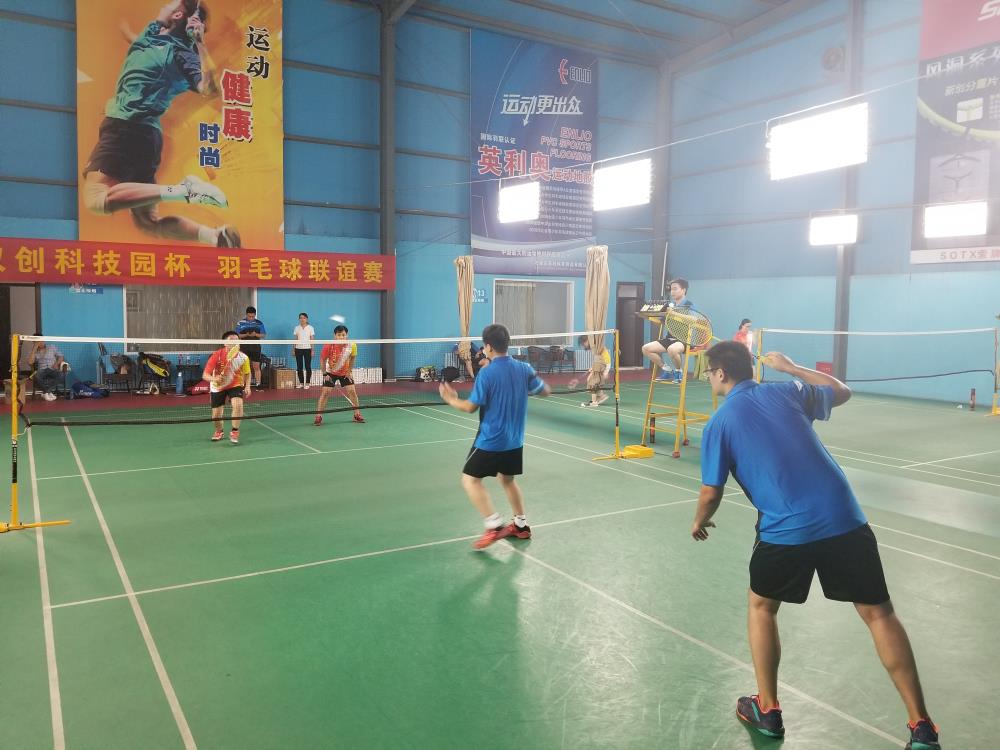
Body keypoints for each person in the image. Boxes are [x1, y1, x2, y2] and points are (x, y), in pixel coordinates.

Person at [690, 341, 940, 750]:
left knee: (761, 606)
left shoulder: (718, 424)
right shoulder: (785, 392)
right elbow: (841, 390)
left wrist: (700, 520)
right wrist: (791, 367)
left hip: (785, 531)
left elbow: (710, 492)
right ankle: (922, 725)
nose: (707, 378)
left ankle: (768, 709)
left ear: (720, 374)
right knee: (879, 614)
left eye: (708, 372)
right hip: (844, 518)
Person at [82, 0, 241, 248]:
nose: (164, 5)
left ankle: (183, 191)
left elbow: (209, 90)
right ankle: (216, 236)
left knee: (96, 200)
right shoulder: (154, 31)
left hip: (127, 128)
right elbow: (138, 43)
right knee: (148, 223)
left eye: (170, 4)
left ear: (177, 15)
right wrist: (120, 26)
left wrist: (200, 43)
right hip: (144, 137)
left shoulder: (182, 54)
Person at [438, 323, 552, 550]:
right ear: (507, 343)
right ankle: (521, 525)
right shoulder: (524, 368)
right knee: (507, 480)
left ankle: (493, 525)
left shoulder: (487, 373)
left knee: (470, 480)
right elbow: (545, 391)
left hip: (491, 440)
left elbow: (470, 407)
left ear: (488, 347)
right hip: (515, 440)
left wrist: (451, 399)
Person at [202, 331, 250, 444]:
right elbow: (205, 375)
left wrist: (247, 386)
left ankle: (235, 431)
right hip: (218, 386)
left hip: (235, 384)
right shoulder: (216, 355)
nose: (234, 342)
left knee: (238, 405)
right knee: (216, 415)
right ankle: (219, 431)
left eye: (236, 340)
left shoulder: (243, 357)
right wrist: (214, 378)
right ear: (225, 343)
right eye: (231, 340)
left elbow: (247, 373)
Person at [641, 278, 693, 383]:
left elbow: (693, 320)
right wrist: (650, 316)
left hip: (684, 340)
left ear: (683, 290)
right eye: (671, 289)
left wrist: (673, 313)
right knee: (646, 348)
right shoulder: (669, 305)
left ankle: (678, 372)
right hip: (669, 339)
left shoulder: (689, 304)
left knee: (672, 349)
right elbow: (662, 322)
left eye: (675, 289)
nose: (672, 292)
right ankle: (667, 370)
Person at [314, 325, 365, 425]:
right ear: (335, 335)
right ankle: (318, 416)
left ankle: (357, 414)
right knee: (325, 393)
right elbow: (322, 360)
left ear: (347, 335)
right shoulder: (328, 345)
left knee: (352, 391)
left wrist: (349, 371)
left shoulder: (352, 345)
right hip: (330, 372)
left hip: (345, 372)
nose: (341, 337)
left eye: (343, 335)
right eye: (339, 335)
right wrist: (324, 374)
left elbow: (352, 359)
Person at [235, 306, 266, 386]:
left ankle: (258, 384)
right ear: (246, 314)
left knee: (256, 367)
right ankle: (243, 385)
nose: (251, 318)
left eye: (253, 316)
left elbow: (263, 335)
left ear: (255, 315)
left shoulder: (259, 323)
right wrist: (246, 334)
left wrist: (255, 334)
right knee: (243, 367)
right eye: (249, 316)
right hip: (244, 347)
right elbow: (237, 335)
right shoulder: (240, 323)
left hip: (255, 347)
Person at [577, 334, 610, 408]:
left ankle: (594, 402)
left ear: (587, 341)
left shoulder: (598, 347)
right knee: (591, 381)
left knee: (592, 382)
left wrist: (606, 372)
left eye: (583, 344)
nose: (583, 346)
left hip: (601, 365)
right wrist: (592, 367)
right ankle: (601, 396)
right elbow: (597, 359)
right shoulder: (594, 348)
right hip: (598, 366)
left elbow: (607, 360)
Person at [293, 312, 315, 389]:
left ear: (307, 319)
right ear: (299, 319)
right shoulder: (296, 328)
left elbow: (312, 339)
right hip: (298, 349)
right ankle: (301, 383)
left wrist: (312, 350)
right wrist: (293, 349)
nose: (302, 319)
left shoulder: (310, 328)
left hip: (307, 349)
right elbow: (295, 339)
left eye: (304, 318)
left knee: (308, 366)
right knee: (299, 367)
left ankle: (307, 383)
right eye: (301, 318)